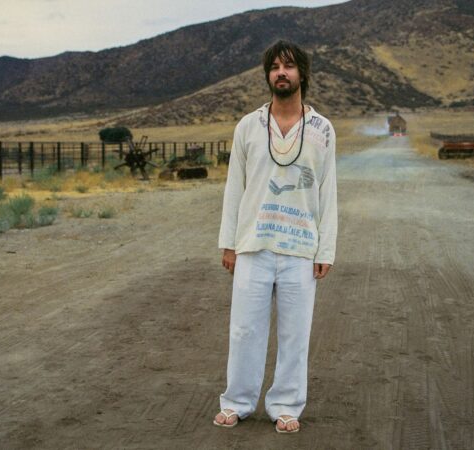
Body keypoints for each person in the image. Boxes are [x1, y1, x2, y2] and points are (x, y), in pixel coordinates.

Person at [213, 40, 338, 434]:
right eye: (274, 67)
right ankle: (237, 402)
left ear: (302, 73)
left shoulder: (322, 130)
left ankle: (286, 405)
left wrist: (326, 249)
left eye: (289, 66)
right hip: (253, 244)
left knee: (295, 332)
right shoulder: (248, 126)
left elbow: (328, 191)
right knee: (244, 330)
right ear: (268, 75)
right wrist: (229, 244)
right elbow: (234, 188)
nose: (281, 73)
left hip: (300, 247)